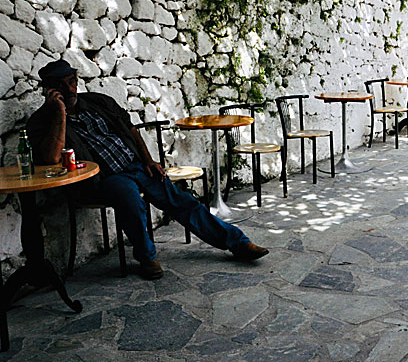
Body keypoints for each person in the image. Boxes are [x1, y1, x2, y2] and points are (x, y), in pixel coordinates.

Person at [26, 59, 269, 280]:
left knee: (181, 200)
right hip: (104, 178)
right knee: (130, 200)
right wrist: (59, 113)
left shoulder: (98, 102)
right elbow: (50, 158)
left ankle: (238, 243)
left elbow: (131, 130)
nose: (69, 90)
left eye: (71, 82)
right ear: (49, 90)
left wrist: (149, 160)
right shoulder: (41, 121)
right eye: (61, 86)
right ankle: (146, 257)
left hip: (136, 166)